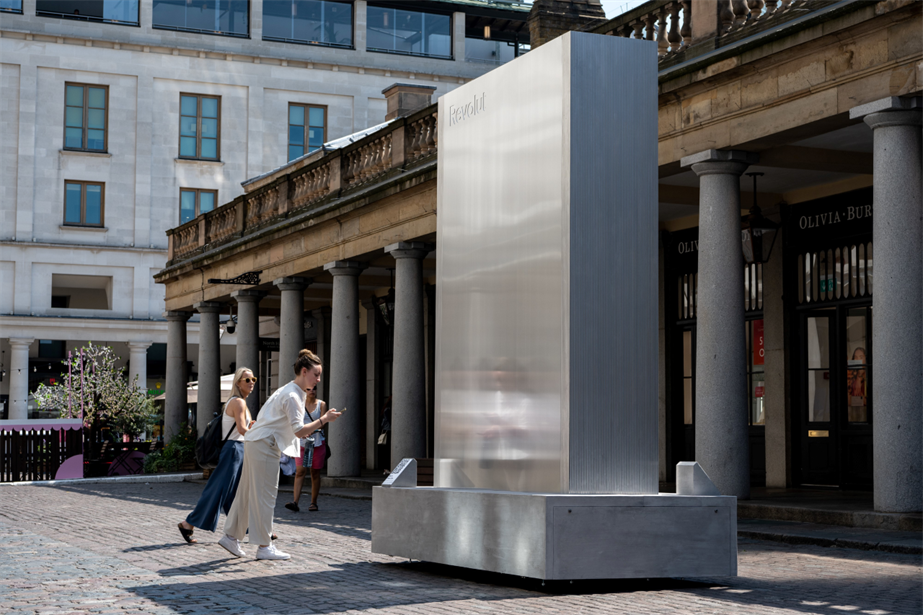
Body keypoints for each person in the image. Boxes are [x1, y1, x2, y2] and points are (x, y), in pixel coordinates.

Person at [219, 349, 341, 560]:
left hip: (257, 442)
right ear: (304, 371)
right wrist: (324, 420)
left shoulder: (289, 390)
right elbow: (298, 430)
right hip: (264, 444)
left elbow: (290, 426)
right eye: (316, 374)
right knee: (265, 496)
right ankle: (264, 547)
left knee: (248, 492)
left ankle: (231, 537)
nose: (319, 379)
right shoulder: (293, 395)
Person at [177, 367, 256, 544]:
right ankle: (188, 523)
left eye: (253, 380)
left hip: (237, 449)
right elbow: (243, 430)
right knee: (218, 489)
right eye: (247, 380)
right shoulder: (239, 403)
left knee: (233, 494)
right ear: (238, 383)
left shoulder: (238, 402)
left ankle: (249, 528)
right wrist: (260, 430)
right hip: (234, 449)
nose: (251, 383)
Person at [285, 385, 327, 512]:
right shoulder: (299, 404)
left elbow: (323, 423)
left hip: (317, 442)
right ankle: (295, 502)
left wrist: (311, 430)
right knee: (300, 471)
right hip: (302, 443)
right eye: (308, 389)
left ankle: (313, 502)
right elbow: (294, 422)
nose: (312, 391)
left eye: (314, 388)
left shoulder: (321, 404)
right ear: (304, 391)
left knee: (315, 473)